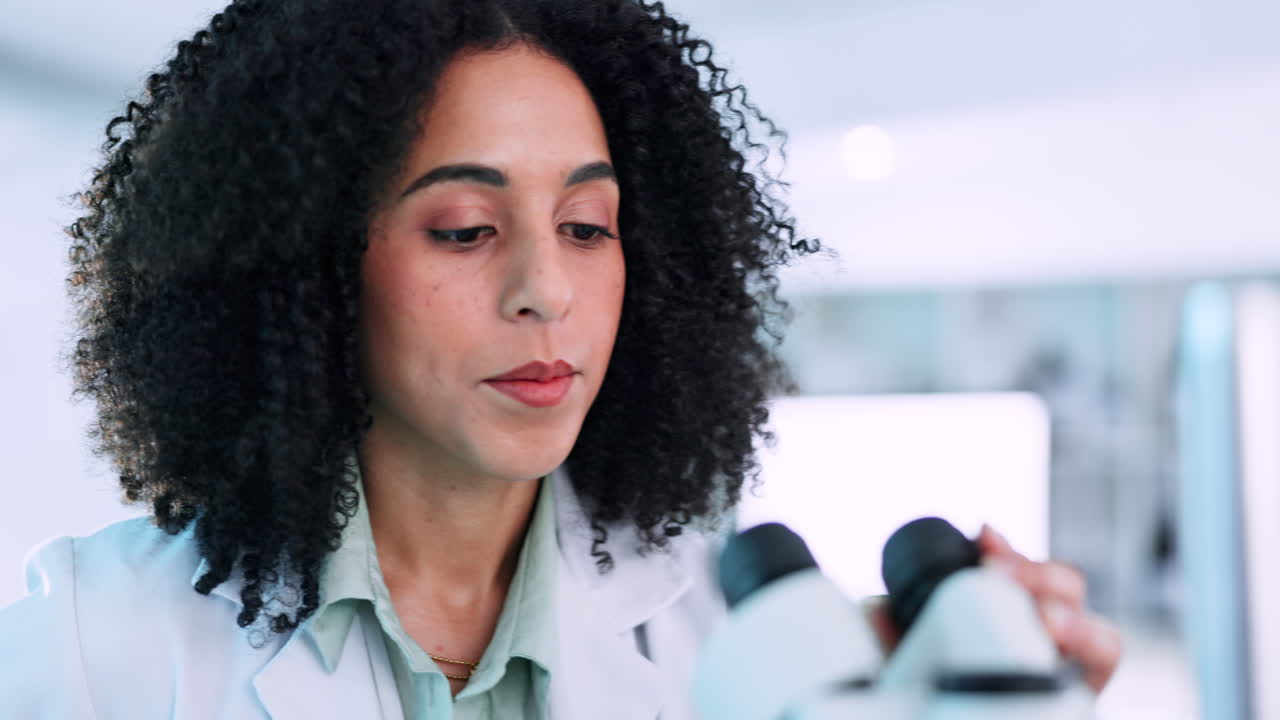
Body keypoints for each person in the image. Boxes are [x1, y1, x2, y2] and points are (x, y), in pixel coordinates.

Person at [0, 0, 1122, 717]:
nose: (547, 289)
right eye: (463, 229)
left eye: (587, 227)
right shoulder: (89, 650)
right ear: (305, 270)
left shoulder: (737, 655)